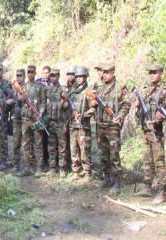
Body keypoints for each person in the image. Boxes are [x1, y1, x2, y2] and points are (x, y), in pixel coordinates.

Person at [89, 63, 130, 194]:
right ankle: (107, 178)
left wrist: (121, 115)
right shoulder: (99, 87)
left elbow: (126, 104)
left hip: (112, 127)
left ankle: (117, 182)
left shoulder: (119, 87)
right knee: (103, 154)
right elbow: (92, 103)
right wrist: (93, 103)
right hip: (100, 125)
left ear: (113, 72)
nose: (104, 74)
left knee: (114, 155)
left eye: (107, 72)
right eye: (103, 72)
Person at [134, 64, 166, 204]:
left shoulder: (164, 90)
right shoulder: (146, 90)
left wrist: (162, 115)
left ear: (161, 73)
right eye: (150, 72)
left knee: (159, 161)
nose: (151, 75)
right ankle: (148, 187)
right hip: (146, 129)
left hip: (157, 131)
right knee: (147, 159)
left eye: (154, 72)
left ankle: (161, 191)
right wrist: (137, 106)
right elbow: (140, 106)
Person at [17, 65, 46, 177]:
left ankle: (39, 168)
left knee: (38, 144)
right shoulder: (22, 87)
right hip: (25, 119)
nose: (30, 74)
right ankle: (29, 166)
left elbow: (43, 102)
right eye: (28, 72)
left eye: (32, 72)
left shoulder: (40, 87)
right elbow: (19, 102)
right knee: (26, 144)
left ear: (35, 73)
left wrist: (41, 113)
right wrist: (20, 97)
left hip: (36, 119)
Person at [67, 67, 93, 181]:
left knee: (85, 150)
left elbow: (93, 108)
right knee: (74, 150)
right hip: (73, 125)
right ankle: (76, 172)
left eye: (80, 76)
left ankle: (87, 172)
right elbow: (68, 108)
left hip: (83, 126)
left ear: (85, 77)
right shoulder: (72, 91)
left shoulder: (89, 91)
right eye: (77, 77)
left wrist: (84, 115)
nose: (78, 79)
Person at [45, 69, 68, 177]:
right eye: (51, 76)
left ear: (58, 76)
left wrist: (65, 99)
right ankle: (52, 168)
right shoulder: (48, 89)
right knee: (51, 146)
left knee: (62, 146)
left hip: (60, 122)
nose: (53, 77)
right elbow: (45, 105)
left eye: (54, 75)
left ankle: (62, 168)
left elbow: (67, 107)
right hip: (51, 122)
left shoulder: (63, 89)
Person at [10, 69, 25, 172]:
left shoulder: (28, 87)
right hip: (16, 119)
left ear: (24, 76)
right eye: (17, 75)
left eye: (20, 75)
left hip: (26, 119)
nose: (19, 77)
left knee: (28, 144)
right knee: (16, 144)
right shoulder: (13, 89)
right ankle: (16, 164)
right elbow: (9, 98)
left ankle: (28, 165)